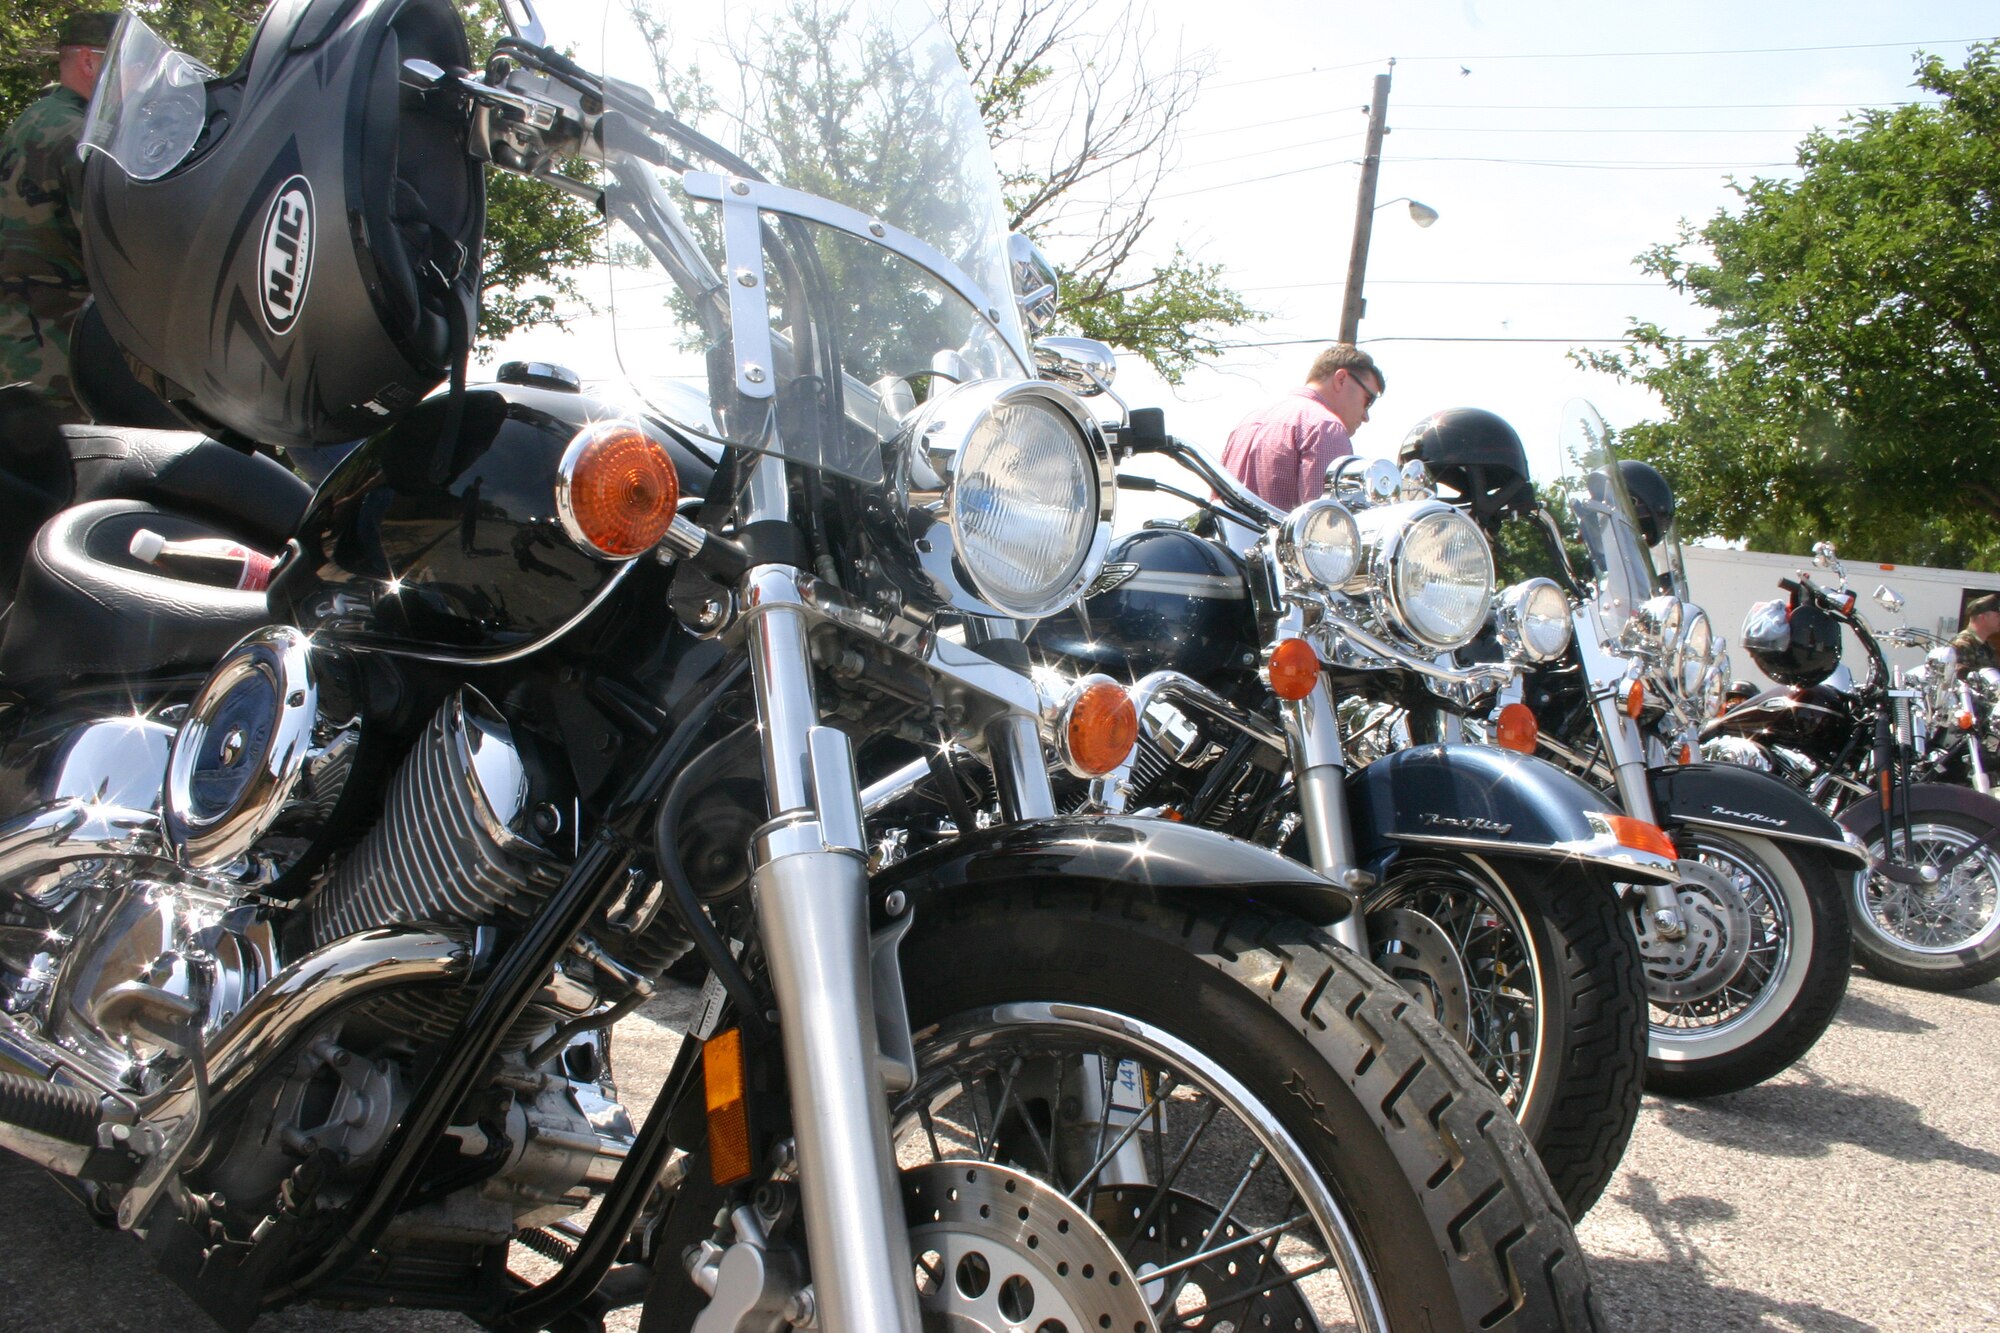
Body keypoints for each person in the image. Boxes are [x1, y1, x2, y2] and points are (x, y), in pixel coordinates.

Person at [0, 12, 118, 423]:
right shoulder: (80, 138)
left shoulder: (34, 119)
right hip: (58, 356)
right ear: (89, 62)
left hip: (19, 342)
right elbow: (117, 255)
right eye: (127, 63)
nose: (136, 79)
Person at [1220, 344, 1384, 511]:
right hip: (1279, 537)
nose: (1366, 416)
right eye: (1368, 400)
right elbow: (1324, 525)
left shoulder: (1247, 423)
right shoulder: (1325, 428)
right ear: (1341, 379)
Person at [1953, 593, 2000, 673]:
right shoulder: (1962, 644)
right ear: (1983, 617)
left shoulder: (1987, 646)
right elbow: (1961, 681)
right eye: (1998, 616)